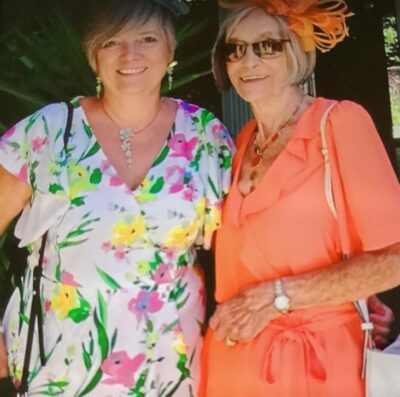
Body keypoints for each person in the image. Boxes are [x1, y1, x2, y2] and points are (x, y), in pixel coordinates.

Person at [0, 0, 233, 396]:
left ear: (169, 51)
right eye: (112, 42)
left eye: (147, 39)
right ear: (94, 56)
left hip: (173, 365)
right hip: (63, 366)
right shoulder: (50, 131)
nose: (131, 55)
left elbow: (250, 243)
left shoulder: (203, 135)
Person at [200, 1, 400, 396]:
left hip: (318, 367)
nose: (248, 60)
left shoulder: (340, 123)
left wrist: (278, 296)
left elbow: (394, 260)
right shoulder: (240, 144)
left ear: (294, 51)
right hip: (232, 367)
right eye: (235, 49)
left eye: (266, 46)